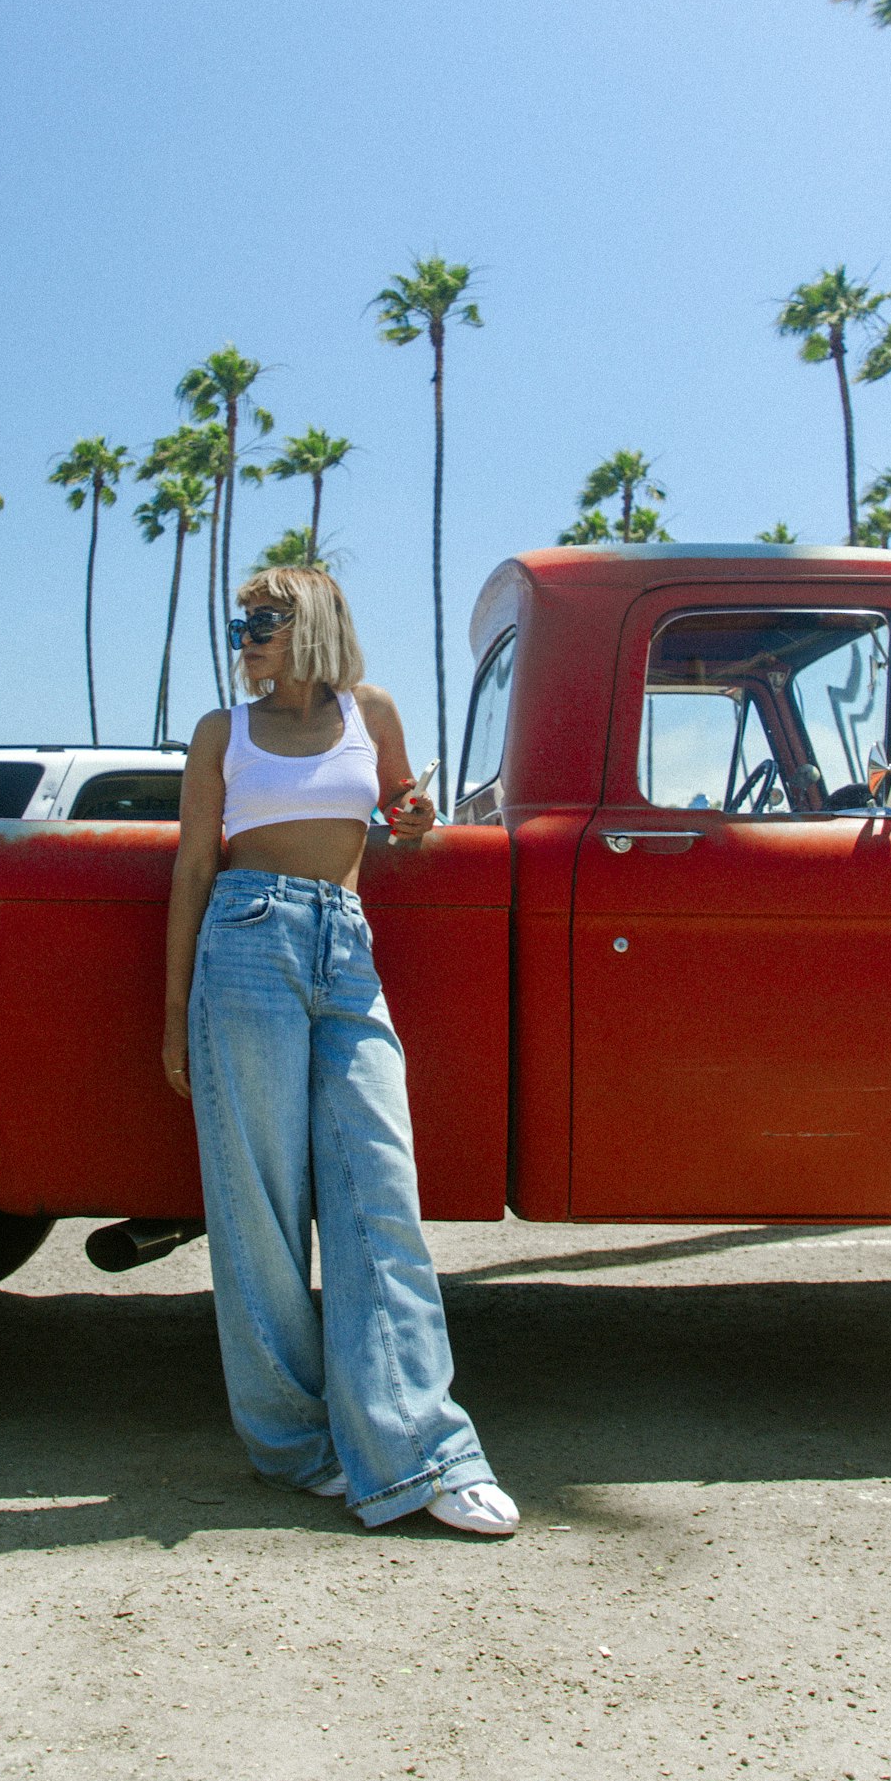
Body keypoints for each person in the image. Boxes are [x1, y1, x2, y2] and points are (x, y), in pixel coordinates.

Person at [162, 563, 516, 1537]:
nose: (247, 633)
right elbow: (194, 865)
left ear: (312, 620)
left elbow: (403, 810)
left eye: (266, 618)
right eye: (241, 620)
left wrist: (411, 816)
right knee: (260, 1213)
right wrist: (170, 1012)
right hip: (243, 944)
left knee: (378, 1190)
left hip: (345, 943)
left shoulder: (371, 709)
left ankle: (424, 1450)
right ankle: (293, 1446)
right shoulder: (219, 733)